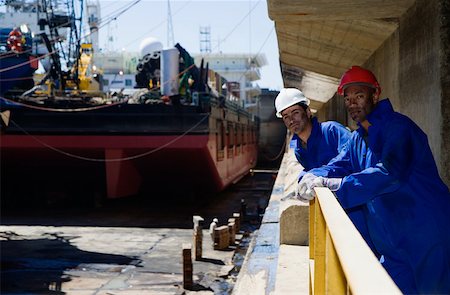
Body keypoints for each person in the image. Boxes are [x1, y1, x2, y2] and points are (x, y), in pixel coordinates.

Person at [298, 65, 450, 294]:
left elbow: (390, 172)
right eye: (348, 99)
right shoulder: (358, 138)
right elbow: (338, 165)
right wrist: (309, 177)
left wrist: (340, 186)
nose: (352, 104)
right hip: (393, 244)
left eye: (359, 96)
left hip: (427, 235)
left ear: (375, 94)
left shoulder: (399, 128)